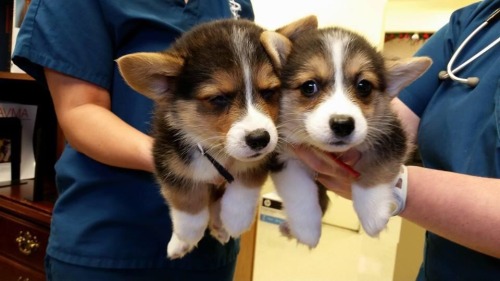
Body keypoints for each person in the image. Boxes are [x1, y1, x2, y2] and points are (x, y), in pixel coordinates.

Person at [12, 1, 254, 280]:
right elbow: (80, 110)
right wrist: (181, 163)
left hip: (210, 248)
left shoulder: (235, 3)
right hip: (112, 241)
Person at [293, 1, 500, 280]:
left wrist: (394, 187)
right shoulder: (476, 20)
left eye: (362, 87)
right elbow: (396, 119)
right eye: (310, 87)